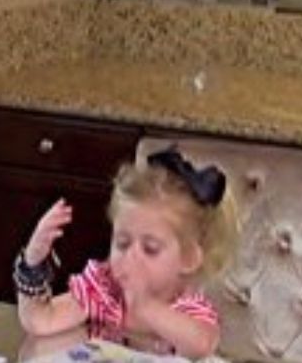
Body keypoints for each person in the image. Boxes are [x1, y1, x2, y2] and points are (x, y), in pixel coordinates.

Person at [15, 147, 239, 358]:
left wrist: (143, 305)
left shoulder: (187, 309)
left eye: (150, 249)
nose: (130, 257)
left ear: (189, 259)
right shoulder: (103, 290)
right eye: (122, 243)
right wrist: (33, 262)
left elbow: (201, 345)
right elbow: (40, 322)